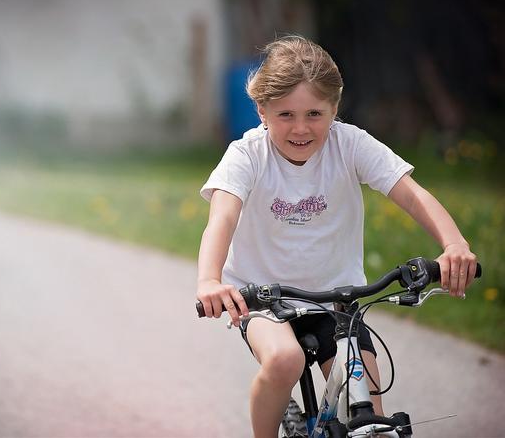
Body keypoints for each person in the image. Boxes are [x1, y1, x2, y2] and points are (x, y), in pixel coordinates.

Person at [196, 35, 478, 438]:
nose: (300, 128)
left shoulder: (350, 145)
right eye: (285, 115)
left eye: (314, 113)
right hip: (263, 299)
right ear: (261, 110)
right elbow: (221, 218)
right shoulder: (246, 156)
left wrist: (455, 245)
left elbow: (412, 195)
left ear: (335, 108)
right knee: (283, 361)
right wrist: (209, 280)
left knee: (370, 413)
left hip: (338, 300)